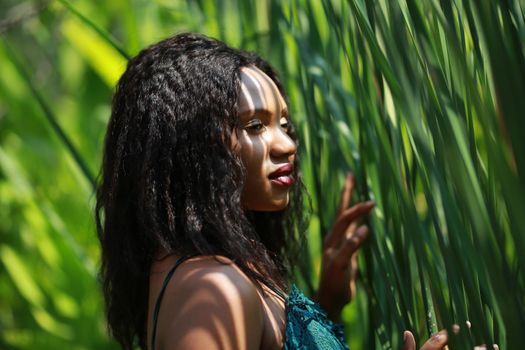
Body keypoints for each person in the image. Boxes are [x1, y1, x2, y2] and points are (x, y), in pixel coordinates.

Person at [95, 32, 463, 350]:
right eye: (255, 126)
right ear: (188, 144)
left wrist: (326, 306)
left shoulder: (219, 271)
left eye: (284, 125)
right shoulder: (211, 287)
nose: (286, 144)